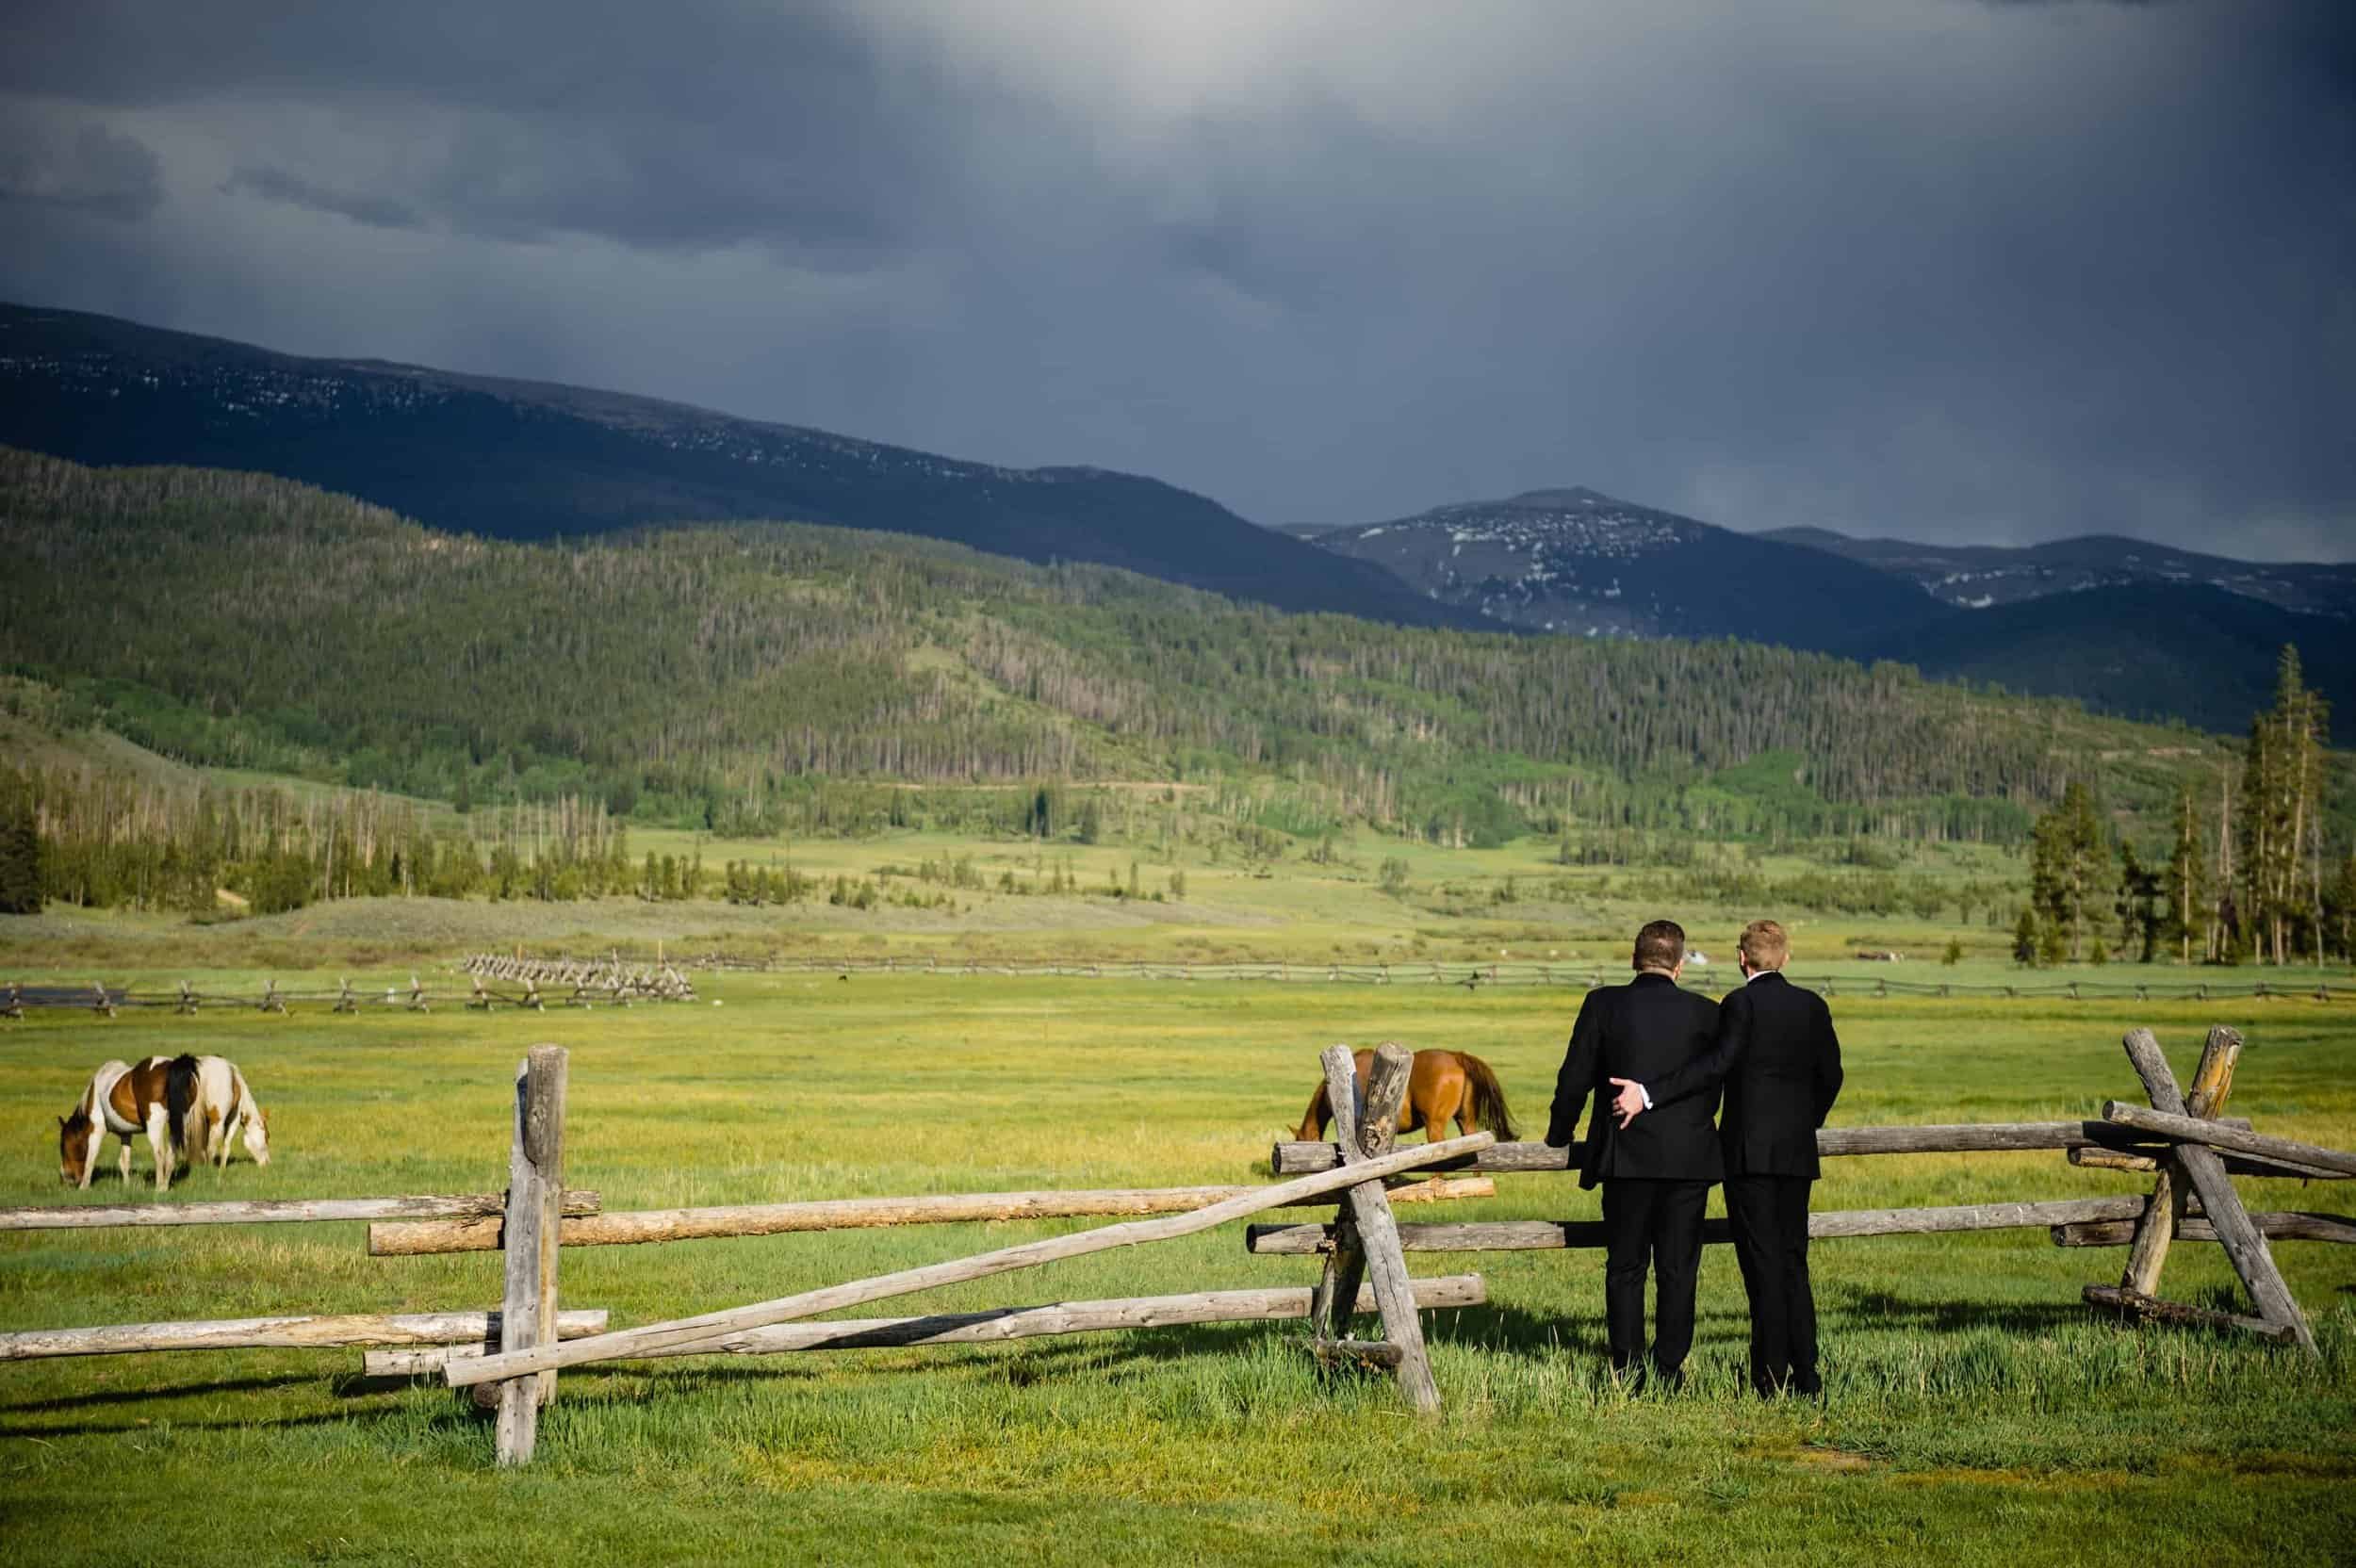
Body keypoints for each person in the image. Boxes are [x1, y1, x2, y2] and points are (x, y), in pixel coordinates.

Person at [1608, 918, 1842, 1396]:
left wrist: (1649, 1094)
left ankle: (1769, 1375)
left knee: (1761, 1264)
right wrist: (1805, 1123)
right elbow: (1831, 1075)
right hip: (1797, 1155)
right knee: (1794, 1261)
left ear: (1742, 959)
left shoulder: (1740, 1004)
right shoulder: (1812, 1006)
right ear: (1786, 958)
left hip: (1748, 1154)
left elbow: (1718, 1064)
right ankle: (1808, 1373)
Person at [1545, 918, 1722, 1388]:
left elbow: (1574, 1077)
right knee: (1679, 1268)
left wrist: (1559, 1134)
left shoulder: (1603, 1004)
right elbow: (1711, 1086)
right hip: (1688, 1161)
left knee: (1626, 1266)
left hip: (1625, 1159)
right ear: (1679, 966)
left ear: (1633, 959)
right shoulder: (1708, 1014)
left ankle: (1626, 1368)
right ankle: (1669, 1369)